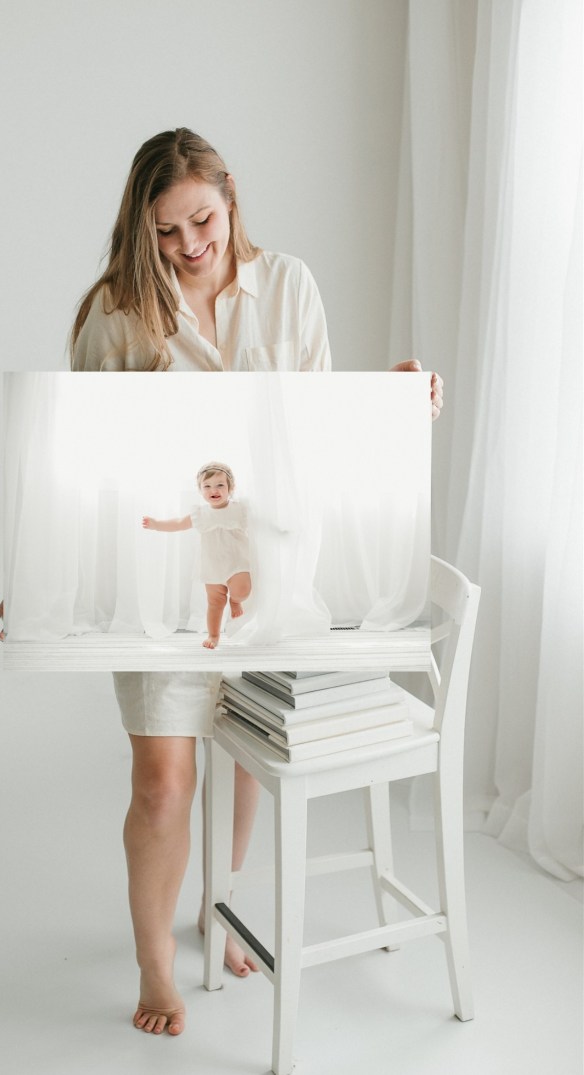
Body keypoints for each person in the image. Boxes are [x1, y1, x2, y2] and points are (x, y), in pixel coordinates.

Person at [69, 128, 443, 1037]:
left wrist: (391, 403)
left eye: (202, 219)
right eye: (166, 231)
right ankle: (156, 963)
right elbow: (84, 466)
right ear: (139, 229)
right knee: (162, 779)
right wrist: (47, 572)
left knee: (247, 746)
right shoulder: (115, 313)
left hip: (270, 566)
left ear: (231, 197)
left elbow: (312, 431)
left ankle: (219, 902)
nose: (191, 245)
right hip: (162, 579)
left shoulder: (289, 286)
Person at [142, 462, 251, 649]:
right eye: (207, 486)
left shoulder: (239, 509)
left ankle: (235, 601)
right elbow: (177, 523)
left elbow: (261, 522)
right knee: (215, 602)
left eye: (219, 485)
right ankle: (214, 635)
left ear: (230, 488)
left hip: (236, 560)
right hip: (212, 564)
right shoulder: (201, 513)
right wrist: (157, 524)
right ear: (200, 490)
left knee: (242, 590)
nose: (213, 490)